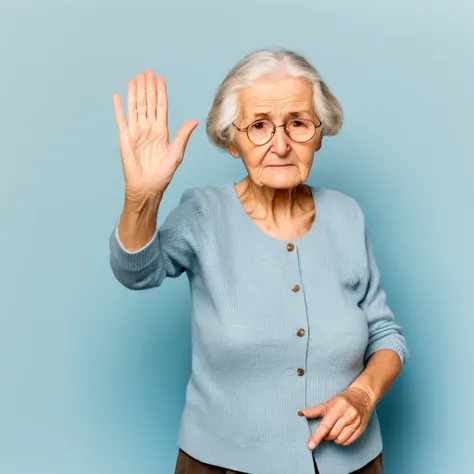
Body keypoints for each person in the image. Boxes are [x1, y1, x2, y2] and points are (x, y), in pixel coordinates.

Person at [109, 49, 409, 474]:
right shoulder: (203, 213)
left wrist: (362, 395)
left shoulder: (346, 215)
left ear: (320, 134)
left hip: (353, 464)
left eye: (298, 124)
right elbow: (135, 272)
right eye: (259, 126)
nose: (281, 144)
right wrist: (142, 198)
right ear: (233, 141)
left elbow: (386, 335)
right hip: (221, 465)